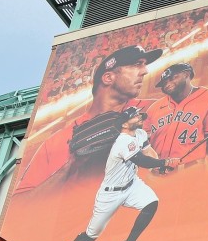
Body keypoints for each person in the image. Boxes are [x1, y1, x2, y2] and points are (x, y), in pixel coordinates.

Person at [16, 45, 163, 190]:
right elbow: (21, 204)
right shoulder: (55, 142)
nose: (145, 71)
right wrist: (72, 166)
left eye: (144, 65)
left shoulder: (154, 111)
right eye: (137, 64)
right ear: (108, 78)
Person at [52, 106, 178, 241]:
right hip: (110, 193)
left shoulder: (140, 134)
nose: (140, 118)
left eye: (140, 115)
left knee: (151, 203)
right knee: (92, 235)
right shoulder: (123, 142)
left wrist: (159, 166)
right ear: (125, 124)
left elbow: (148, 153)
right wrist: (165, 162)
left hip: (132, 184)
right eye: (136, 116)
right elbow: (141, 161)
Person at [145, 62, 208, 190]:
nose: (167, 84)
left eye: (172, 78)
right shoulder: (154, 108)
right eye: (164, 83)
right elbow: (144, 142)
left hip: (190, 171)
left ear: (186, 74)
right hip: (155, 175)